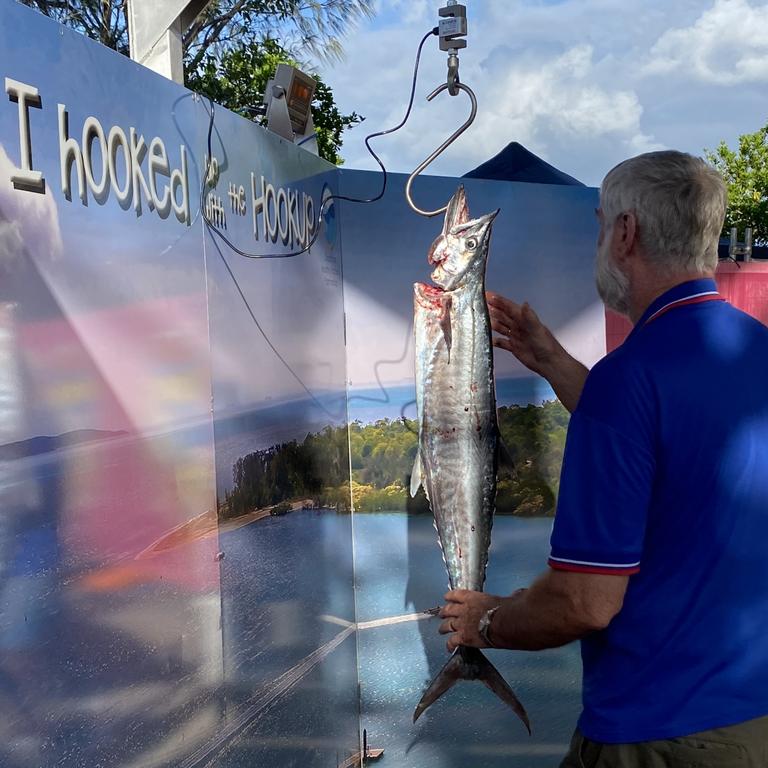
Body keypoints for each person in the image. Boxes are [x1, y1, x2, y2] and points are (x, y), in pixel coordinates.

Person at [438, 150, 768, 767]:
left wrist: (487, 623)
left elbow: (585, 603)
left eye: (598, 225)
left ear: (625, 234)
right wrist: (556, 363)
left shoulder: (631, 380)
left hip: (660, 739)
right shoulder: (754, 351)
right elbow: (675, 445)